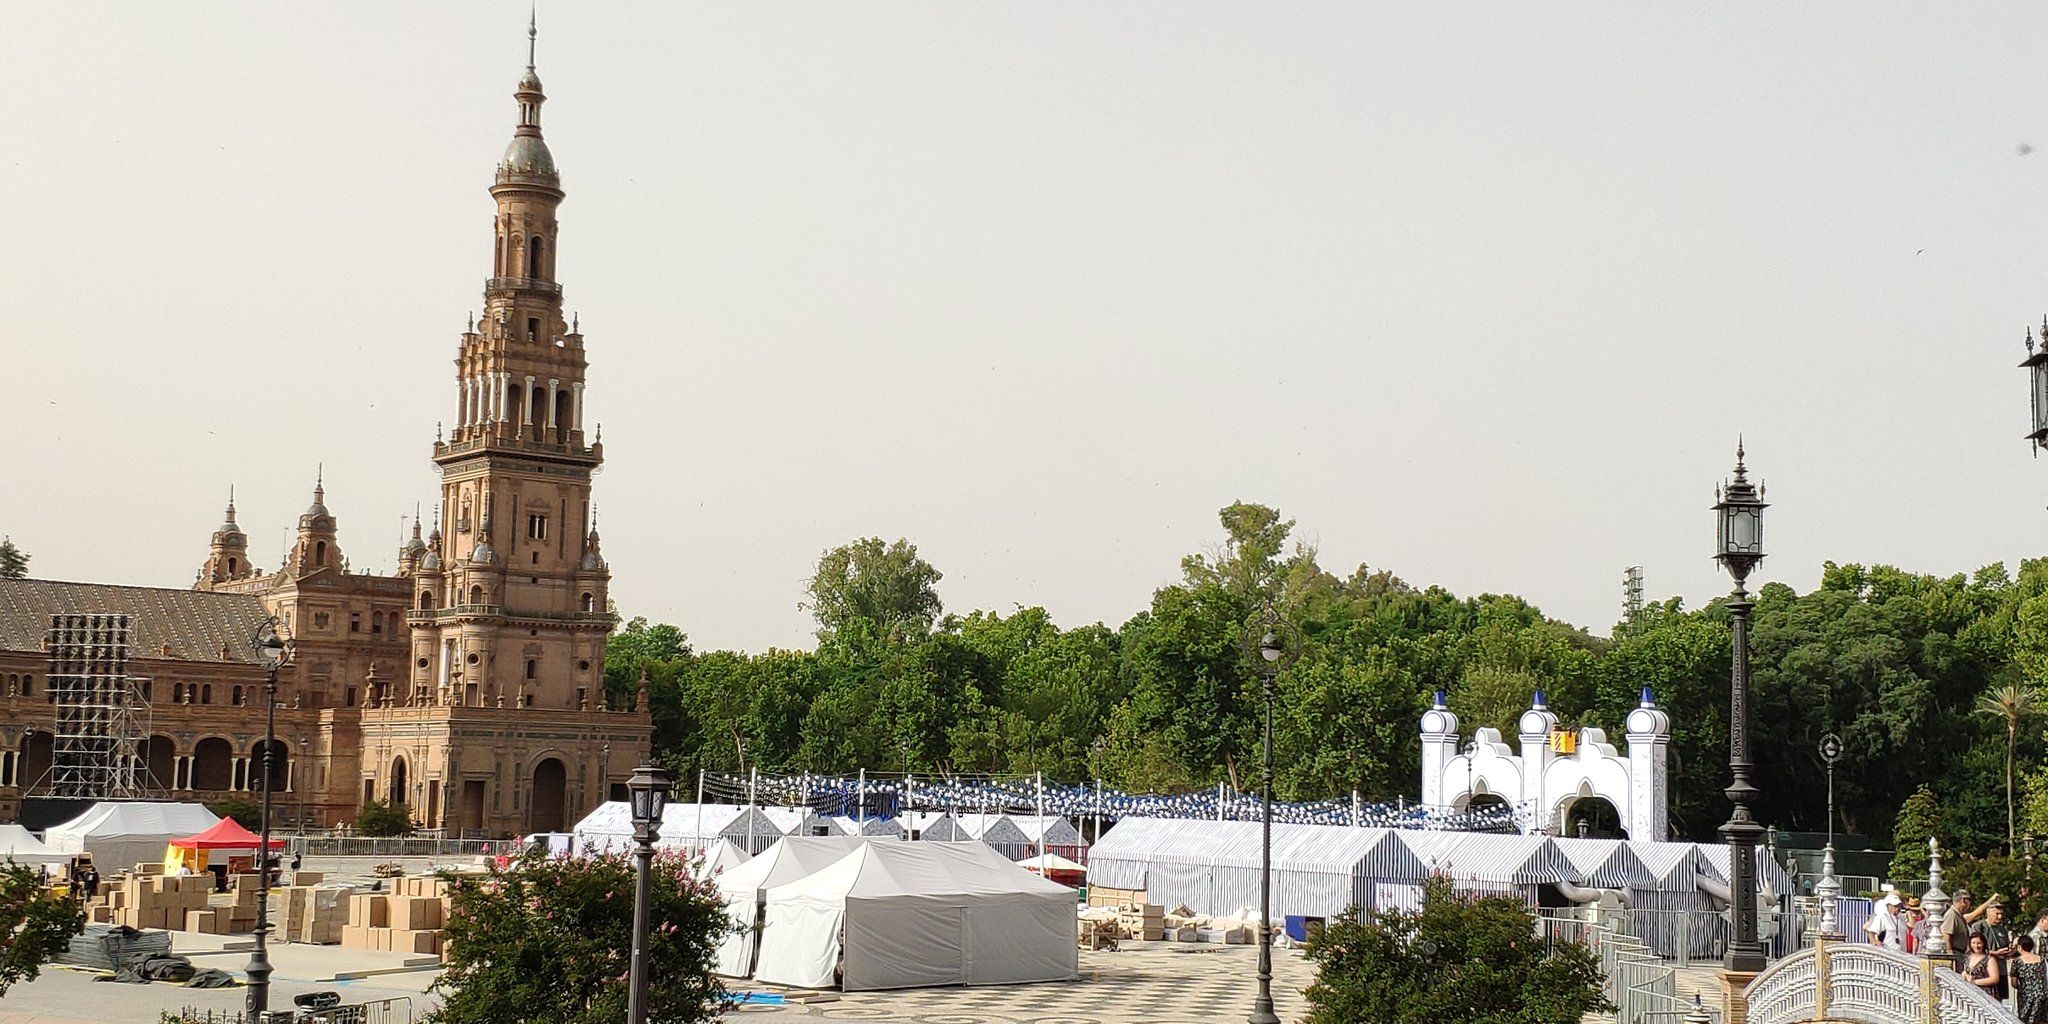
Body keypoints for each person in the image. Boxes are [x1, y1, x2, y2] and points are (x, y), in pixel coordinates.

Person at [1978, 899, 2017, 1003]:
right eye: (1997, 914)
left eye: (2001, 914)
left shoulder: (2002, 929)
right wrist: (1995, 953)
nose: (1999, 917)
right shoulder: (1980, 927)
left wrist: (2010, 951)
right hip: (1986, 971)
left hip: (2001, 970)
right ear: (1988, 913)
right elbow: (1974, 950)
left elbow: (2007, 946)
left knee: (1999, 1000)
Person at [2015, 934, 2048, 1024]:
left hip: (2026, 996)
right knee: (2042, 1020)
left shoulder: (2017, 961)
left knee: (2025, 1020)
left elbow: (2014, 982)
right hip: (2042, 995)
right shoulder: (2042, 960)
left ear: (2019, 947)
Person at [1967, 933, 2004, 999]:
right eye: (1973, 943)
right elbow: (1966, 972)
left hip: (1986, 995)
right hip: (1972, 993)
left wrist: (1975, 982)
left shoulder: (1989, 959)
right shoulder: (1969, 958)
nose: (1976, 946)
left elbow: (1994, 979)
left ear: (1983, 944)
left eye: (1979, 943)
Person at [1948, 891, 1977, 967]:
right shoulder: (1952, 915)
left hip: (1960, 954)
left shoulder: (1958, 914)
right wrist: (1950, 958)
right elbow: (1947, 936)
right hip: (1955, 954)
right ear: (1963, 901)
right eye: (1969, 900)